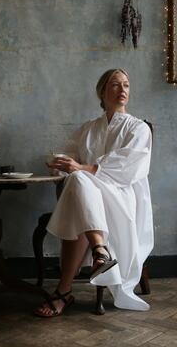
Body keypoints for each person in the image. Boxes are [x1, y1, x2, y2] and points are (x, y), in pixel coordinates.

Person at [34, 68, 153, 317]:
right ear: (102, 91)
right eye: (115, 85)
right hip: (87, 195)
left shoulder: (138, 128)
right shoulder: (88, 128)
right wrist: (57, 162)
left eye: (127, 85)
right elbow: (67, 153)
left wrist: (79, 168)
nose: (122, 90)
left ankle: (64, 291)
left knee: (78, 180)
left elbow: (128, 169)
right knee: (78, 181)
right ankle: (100, 250)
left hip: (120, 196)